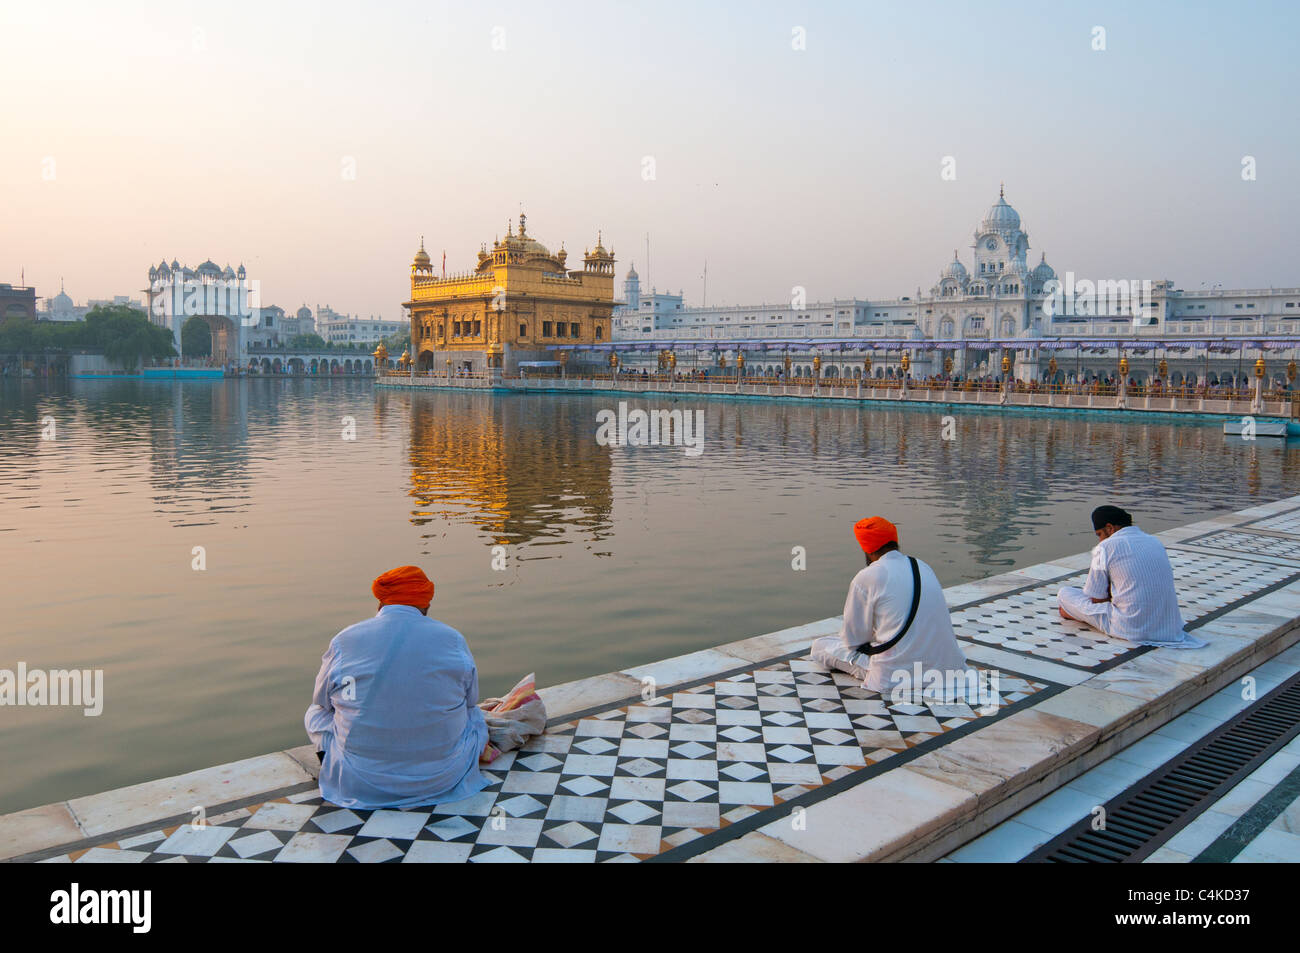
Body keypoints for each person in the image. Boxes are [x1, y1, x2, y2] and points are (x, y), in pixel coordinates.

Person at [305, 565, 489, 809]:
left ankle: (339, 757)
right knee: (473, 713)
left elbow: (322, 701)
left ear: (381, 603)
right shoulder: (452, 638)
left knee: (316, 712)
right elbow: (470, 700)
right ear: (426, 605)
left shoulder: (345, 639)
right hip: (442, 777)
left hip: (359, 780)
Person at [812, 517, 971, 696]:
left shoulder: (867, 576)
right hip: (949, 671)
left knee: (820, 646)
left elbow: (853, 640)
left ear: (866, 549)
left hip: (896, 676)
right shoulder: (922, 566)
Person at [1057, 505, 1206, 648]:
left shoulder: (1104, 547)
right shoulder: (1154, 541)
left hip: (1131, 628)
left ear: (1110, 528)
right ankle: (1077, 613)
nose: (1100, 540)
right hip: (1168, 627)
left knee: (1065, 593)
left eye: (1100, 535)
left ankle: (1076, 614)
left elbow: (1096, 599)